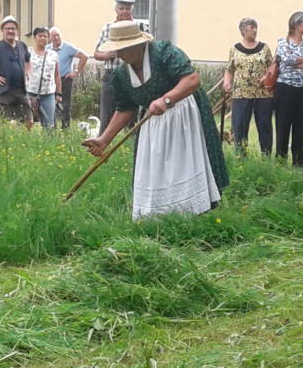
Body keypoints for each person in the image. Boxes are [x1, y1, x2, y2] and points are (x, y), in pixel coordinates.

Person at [82, 21, 228, 220]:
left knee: (184, 162)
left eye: (122, 49)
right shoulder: (121, 75)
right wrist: (104, 140)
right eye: (116, 51)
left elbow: (192, 79)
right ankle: (160, 215)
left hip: (185, 114)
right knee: (157, 169)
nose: (119, 55)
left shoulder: (163, 53)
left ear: (137, 45)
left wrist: (167, 100)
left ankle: (196, 211)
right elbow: (125, 108)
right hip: (155, 123)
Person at [94, 0, 150, 133]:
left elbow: (149, 49)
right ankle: (103, 143)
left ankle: (133, 143)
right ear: (116, 10)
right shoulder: (108, 28)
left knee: (134, 113)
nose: (124, 11)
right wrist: (109, 54)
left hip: (134, 74)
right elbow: (96, 54)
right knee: (107, 112)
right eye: (121, 8)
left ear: (132, 10)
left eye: (127, 9)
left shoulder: (141, 27)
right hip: (112, 75)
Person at [222, 17, 274, 155]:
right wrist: (226, 82)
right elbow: (229, 69)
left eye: (256, 27)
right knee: (239, 126)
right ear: (243, 31)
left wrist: (268, 77)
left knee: (264, 126)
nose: (255, 31)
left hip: (262, 94)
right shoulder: (234, 49)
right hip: (240, 94)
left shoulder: (264, 48)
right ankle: (240, 157)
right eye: (252, 28)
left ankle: (266, 157)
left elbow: (273, 67)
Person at [274, 12, 303, 167]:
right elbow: (286, 59)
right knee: (283, 124)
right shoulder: (283, 43)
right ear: (295, 24)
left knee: (301, 125)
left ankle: (299, 160)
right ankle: (280, 159)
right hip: (285, 87)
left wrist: (298, 62)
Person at [50, 27, 88, 129]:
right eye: (54, 36)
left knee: (65, 106)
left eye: (58, 35)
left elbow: (84, 56)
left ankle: (65, 129)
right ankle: (52, 128)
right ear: (50, 38)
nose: (56, 38)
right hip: (51, 81)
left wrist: (76, 72)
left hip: (65, 80)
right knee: (51, 105)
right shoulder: (48, 49)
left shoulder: (68, 47)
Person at [27, 27, 62, 132]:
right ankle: (26, 143)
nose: (43, 38)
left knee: (49, 124)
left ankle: (49, 145)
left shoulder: (53, 54)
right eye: (40, 36)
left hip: (48, 94)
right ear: (35, 38)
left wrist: (59, 93)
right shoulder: (27, 53)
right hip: (30, 92)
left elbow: (57, 75)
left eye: (45, 36)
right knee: (27, 122)